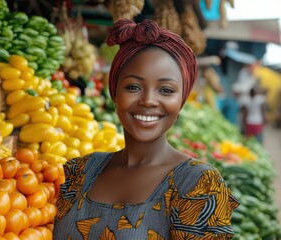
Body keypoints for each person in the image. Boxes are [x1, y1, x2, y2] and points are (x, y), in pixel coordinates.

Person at [53, 19, 239, 239]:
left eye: (166, 90)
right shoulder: (81, 171)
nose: (149, 100)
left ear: (181, 101)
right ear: (115, 93)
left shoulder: (198, 186)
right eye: (133, 86)